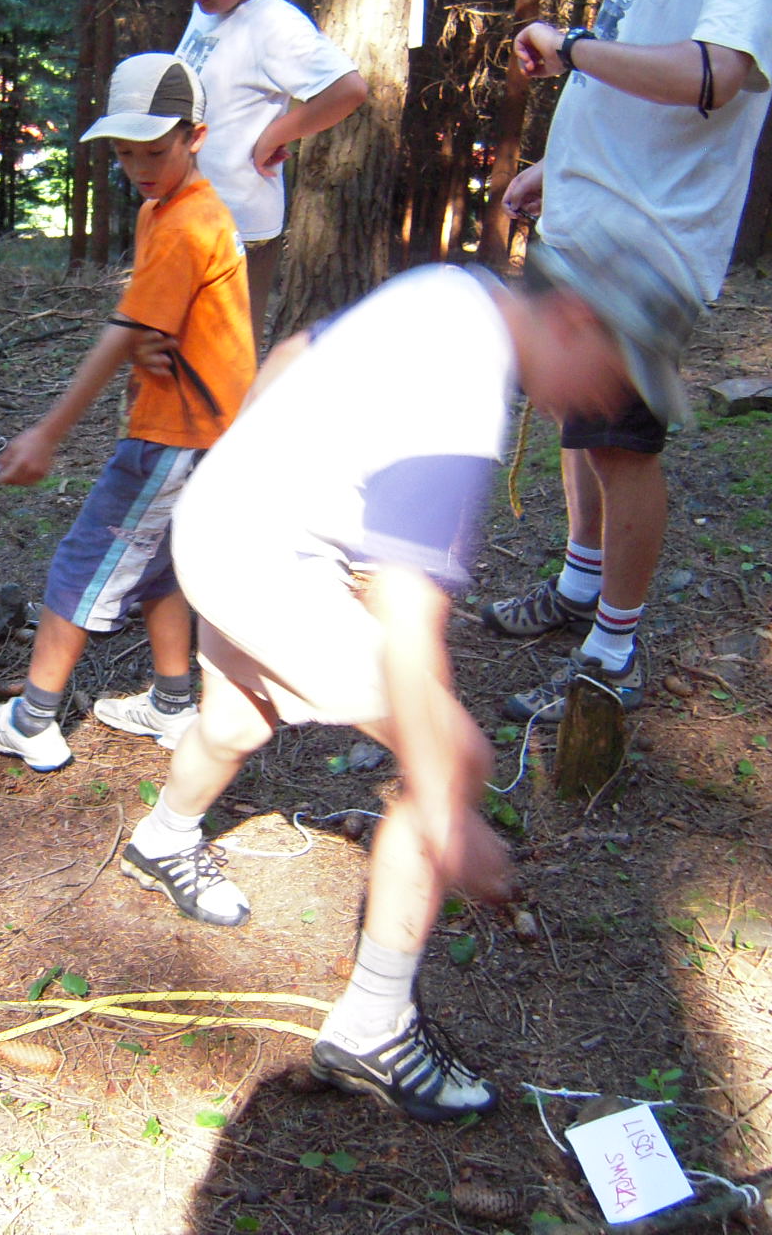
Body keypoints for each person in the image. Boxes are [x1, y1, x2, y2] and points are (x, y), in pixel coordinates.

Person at [120, 229, 702, 1120]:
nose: (607, 404)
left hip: (221, 515)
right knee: (455, 757)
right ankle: (374, 1025)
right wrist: (449, 810)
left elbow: (294, 351)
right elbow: (407, 618)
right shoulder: (465, 389)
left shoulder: (450, 288)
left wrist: (258, 475)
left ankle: (163, 837)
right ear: (577, 321)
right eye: (619, 376)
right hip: (259, 560)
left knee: (237, 716)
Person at [482, 0, 772, 724]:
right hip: (591, 208)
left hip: (649, 241)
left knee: (623, 446)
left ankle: (610, 655)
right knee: (577, 415)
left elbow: (715, 73)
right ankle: (580, 583)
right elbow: (640, 49)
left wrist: (572, 47)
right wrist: (561, 164)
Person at [0, 55, 255, 772]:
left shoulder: (187, 223)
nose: (138, 167)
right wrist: (147, 345)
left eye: (154, 152)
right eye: (125, 153)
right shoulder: (168, 210)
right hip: (202, 430)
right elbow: (156, 319)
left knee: (80, 565)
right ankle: (171, 704)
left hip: (177, 436)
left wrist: (47, 433)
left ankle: (31, 720)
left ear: (195, 137)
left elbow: (123, 330)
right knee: (159, 566)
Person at [159, 0, 368, 349]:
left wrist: (276, 133)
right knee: (174, 353)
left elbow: (348, 89)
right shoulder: (208, 8)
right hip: (190, 211)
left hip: (237, 223)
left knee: (223, 359)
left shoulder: (275, 25)